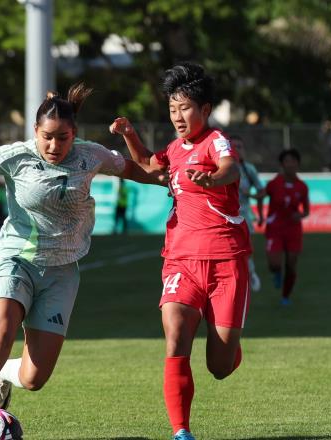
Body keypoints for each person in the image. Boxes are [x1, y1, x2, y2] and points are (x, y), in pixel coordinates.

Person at [0, 83, 161, 440]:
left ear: (75, 135)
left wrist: (188, 181)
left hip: (62, 271)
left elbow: (142, 172)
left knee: (33, 379)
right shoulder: (15, 155)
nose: (55, 146)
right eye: (47, 137)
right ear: (35, 132)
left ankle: (4, 378)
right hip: (16, 260)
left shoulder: (93, 155)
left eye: (63, 138)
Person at [110, 62, 251, 440]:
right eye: (172, 109)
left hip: (226, 261)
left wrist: (212, 178)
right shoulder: (174, 149)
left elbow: (230, 169)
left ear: (205, 110)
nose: (177, 117)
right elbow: (148, 165)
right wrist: (129, 134)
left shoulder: (216, 140)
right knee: (174, 332)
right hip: (181, 260)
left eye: (184, 108)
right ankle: (181, 431)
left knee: (219, 367)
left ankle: (230, 349)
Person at [257, 148, 309, 306]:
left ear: (298, 164)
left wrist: (299, 215)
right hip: (275, 228)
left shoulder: (302, 187)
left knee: (292, 264)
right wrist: (260, 215)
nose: (290, 164)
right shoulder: (275, 183)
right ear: (282, 164)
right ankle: (276, 272)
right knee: (274, 263)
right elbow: (260, 196)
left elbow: (306, 211)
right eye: (287, 161)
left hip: (293, 229)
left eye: (293, 161)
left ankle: (285, 296)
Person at [233, 136, 265, 291]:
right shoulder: (220, 167)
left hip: (244, 215)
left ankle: (251, 275)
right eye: (234, 146)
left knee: (245, 248)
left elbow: (261, 191)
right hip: (224, 216)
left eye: (240, 146)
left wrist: (259, 213)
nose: (237, 149)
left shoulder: (248, 169)